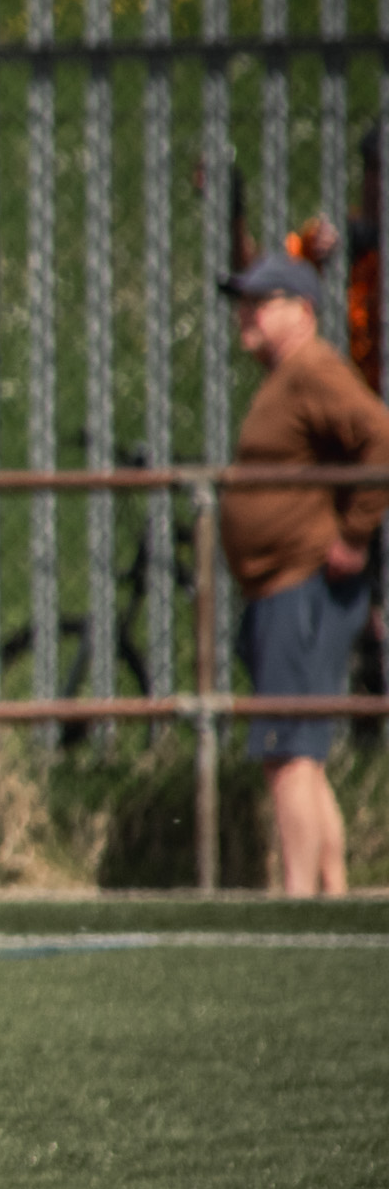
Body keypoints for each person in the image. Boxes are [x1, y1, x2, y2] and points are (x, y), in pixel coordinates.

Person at [217, 249, 389, 896]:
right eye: (245, 302)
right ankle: (329, 890)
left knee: (288, 749)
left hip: (304, 586)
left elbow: (381, 437)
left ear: (304, 311)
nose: (247, 314)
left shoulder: (315, 370)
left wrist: (353, 532)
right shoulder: (289, 377)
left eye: (263, 302)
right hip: (282, 586)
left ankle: (297, 898)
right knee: (300, 755)